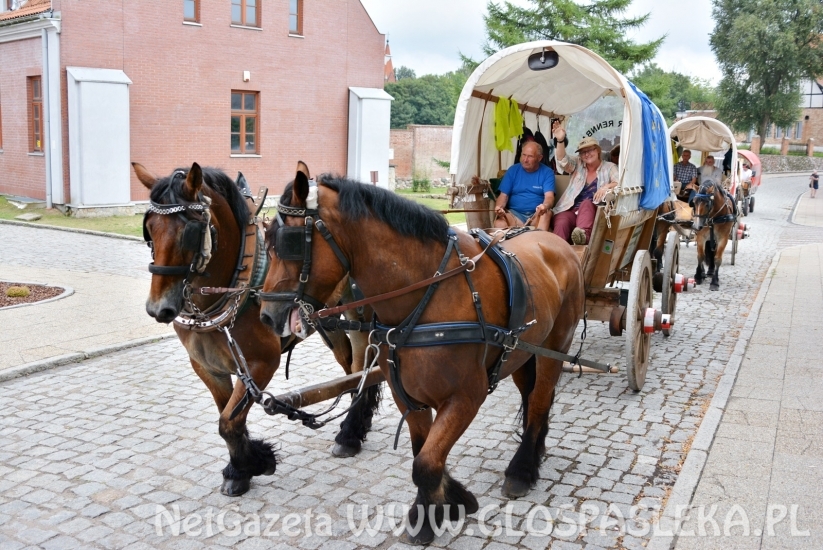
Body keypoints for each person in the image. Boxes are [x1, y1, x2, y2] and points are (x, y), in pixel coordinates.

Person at [550, 121, 619, 245]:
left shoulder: (609, 167)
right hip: (570, 208)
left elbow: (620, 183)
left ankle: (582, 237)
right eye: (583, 152)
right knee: (561, 222)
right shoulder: (578, 164)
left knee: (586, 204)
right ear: (580, 156)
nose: (587, 154)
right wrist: (560, 141)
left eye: (590, 150)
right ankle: (557, 253)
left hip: (593, 211)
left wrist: (606, 187)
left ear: (598, 151)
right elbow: (562, 161)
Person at [493, 141, 555, 231]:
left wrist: (544, 206)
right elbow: (503, 196)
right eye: (523, 155)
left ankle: (538, 243)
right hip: (515, 215)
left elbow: (549, 197)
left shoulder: (547, 172)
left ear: (539, 158)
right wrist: (499, 207)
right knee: (499, 223)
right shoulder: (512, 170)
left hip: (536, 214)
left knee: (546, 213)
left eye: (530, 156)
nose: (525, 160)